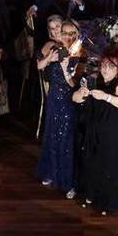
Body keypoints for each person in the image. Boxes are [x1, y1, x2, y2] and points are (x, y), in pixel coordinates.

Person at [73, 50, 118, 216]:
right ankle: (92, 196)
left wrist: (106, 97)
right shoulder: (93, 79)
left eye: (110, 66)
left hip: (112, 131)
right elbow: (75, 99)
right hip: (93, 129)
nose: (105, 69)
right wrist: (80, 94)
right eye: (103, 65)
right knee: (92, 162)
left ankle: (109, 203)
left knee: (110, 165)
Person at [36, 20, 82, 197]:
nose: (67, 36)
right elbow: (39, 66)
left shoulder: (79, 54)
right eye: (64, 32)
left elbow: (75, 85)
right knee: (52, 135)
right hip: (54, 99)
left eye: (71, 34)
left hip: (69, 101)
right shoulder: (55, 48)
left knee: (66, 139)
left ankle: (68, 181)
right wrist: (49, 58)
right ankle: (51, 172)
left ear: (76, 35)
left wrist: (65, 70)